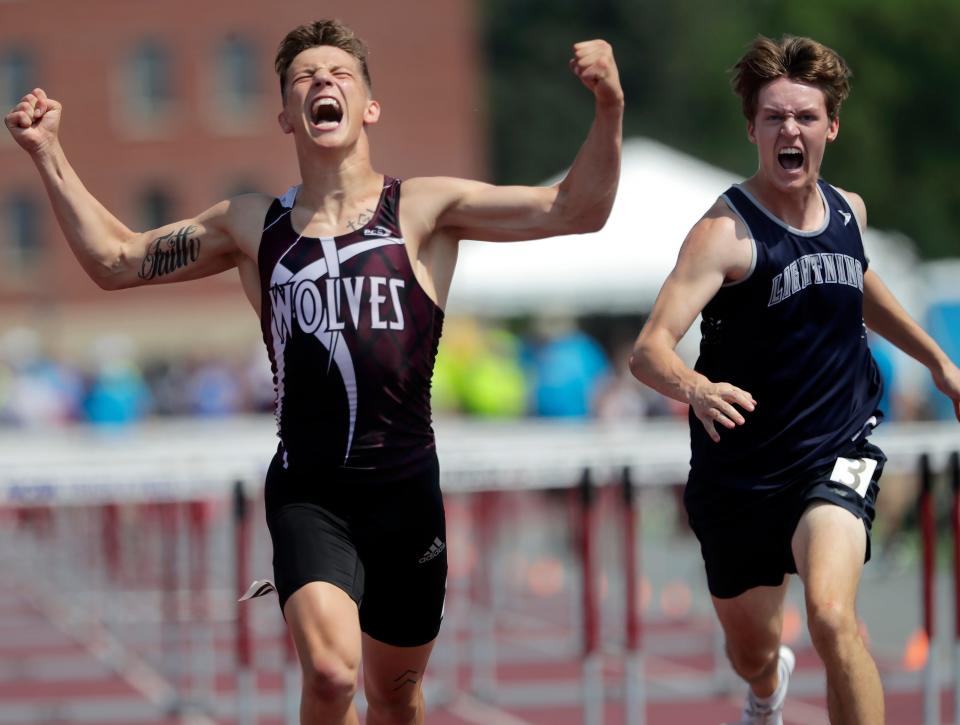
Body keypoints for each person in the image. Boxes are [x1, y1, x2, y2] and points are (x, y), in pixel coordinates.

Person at [5, 19, 623, 725]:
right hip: (311, 492)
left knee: (395, 697)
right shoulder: (251, 227)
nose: (321, 81)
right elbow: (117, 261)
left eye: (339, 74)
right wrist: (47, 152)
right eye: (304, 77)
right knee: (331, 676)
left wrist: (609, 107)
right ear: (285, 114)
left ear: (369, 106)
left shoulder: (420, 209)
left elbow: (578, 209)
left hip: (406, 494)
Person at [628, 35, 960, 725]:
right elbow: (648, 350)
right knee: (753, 647)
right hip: (741, 473)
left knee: (834, 616)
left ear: (830, 127)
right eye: (775, 117)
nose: (790, 130)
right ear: (752, 128)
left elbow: (860, 283)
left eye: (805, 117)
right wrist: (694, 386)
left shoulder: (850, 212)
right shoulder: (723, 233)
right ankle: (764, 686)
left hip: (837, 449)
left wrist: (937, 360)